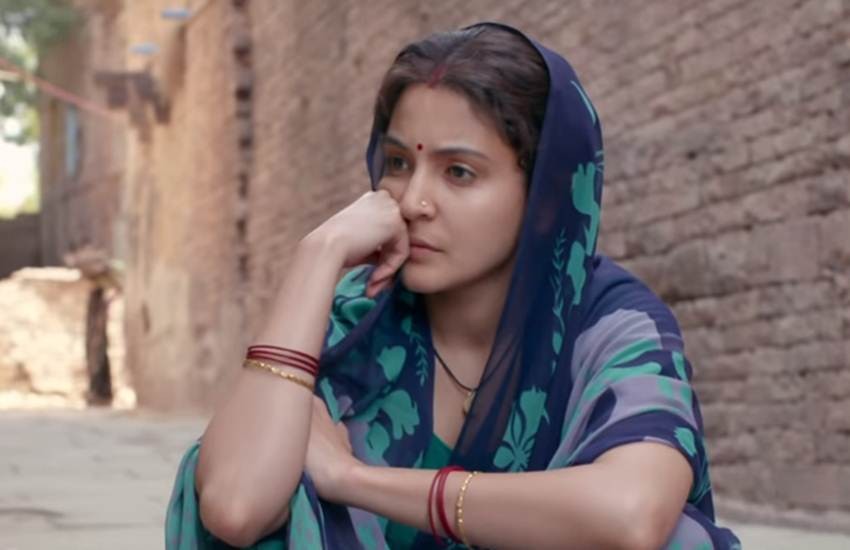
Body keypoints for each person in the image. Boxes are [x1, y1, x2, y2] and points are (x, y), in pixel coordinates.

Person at [166, 22, 741, 549]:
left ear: (545, 198)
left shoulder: (610, 322)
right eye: (398, 163)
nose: (413, 201)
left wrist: (354, 479)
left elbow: (632, 514)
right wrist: (317, 255)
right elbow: (235, 507)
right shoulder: (358, 313)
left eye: (458, 172)